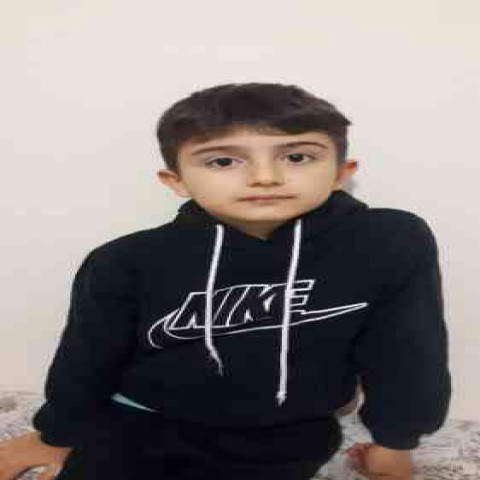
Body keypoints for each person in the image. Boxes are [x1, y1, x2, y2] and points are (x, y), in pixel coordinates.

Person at [0, 82, 451, 480]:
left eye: (297, 156)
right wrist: (54, 435)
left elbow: (408, 352)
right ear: (176, 180)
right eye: (221, 161)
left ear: (340, 173)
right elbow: (86, 358)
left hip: (287, 433)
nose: (265, 177)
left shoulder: (387, 241)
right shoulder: (124, 260)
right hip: (136, 418)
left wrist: (395, 445)